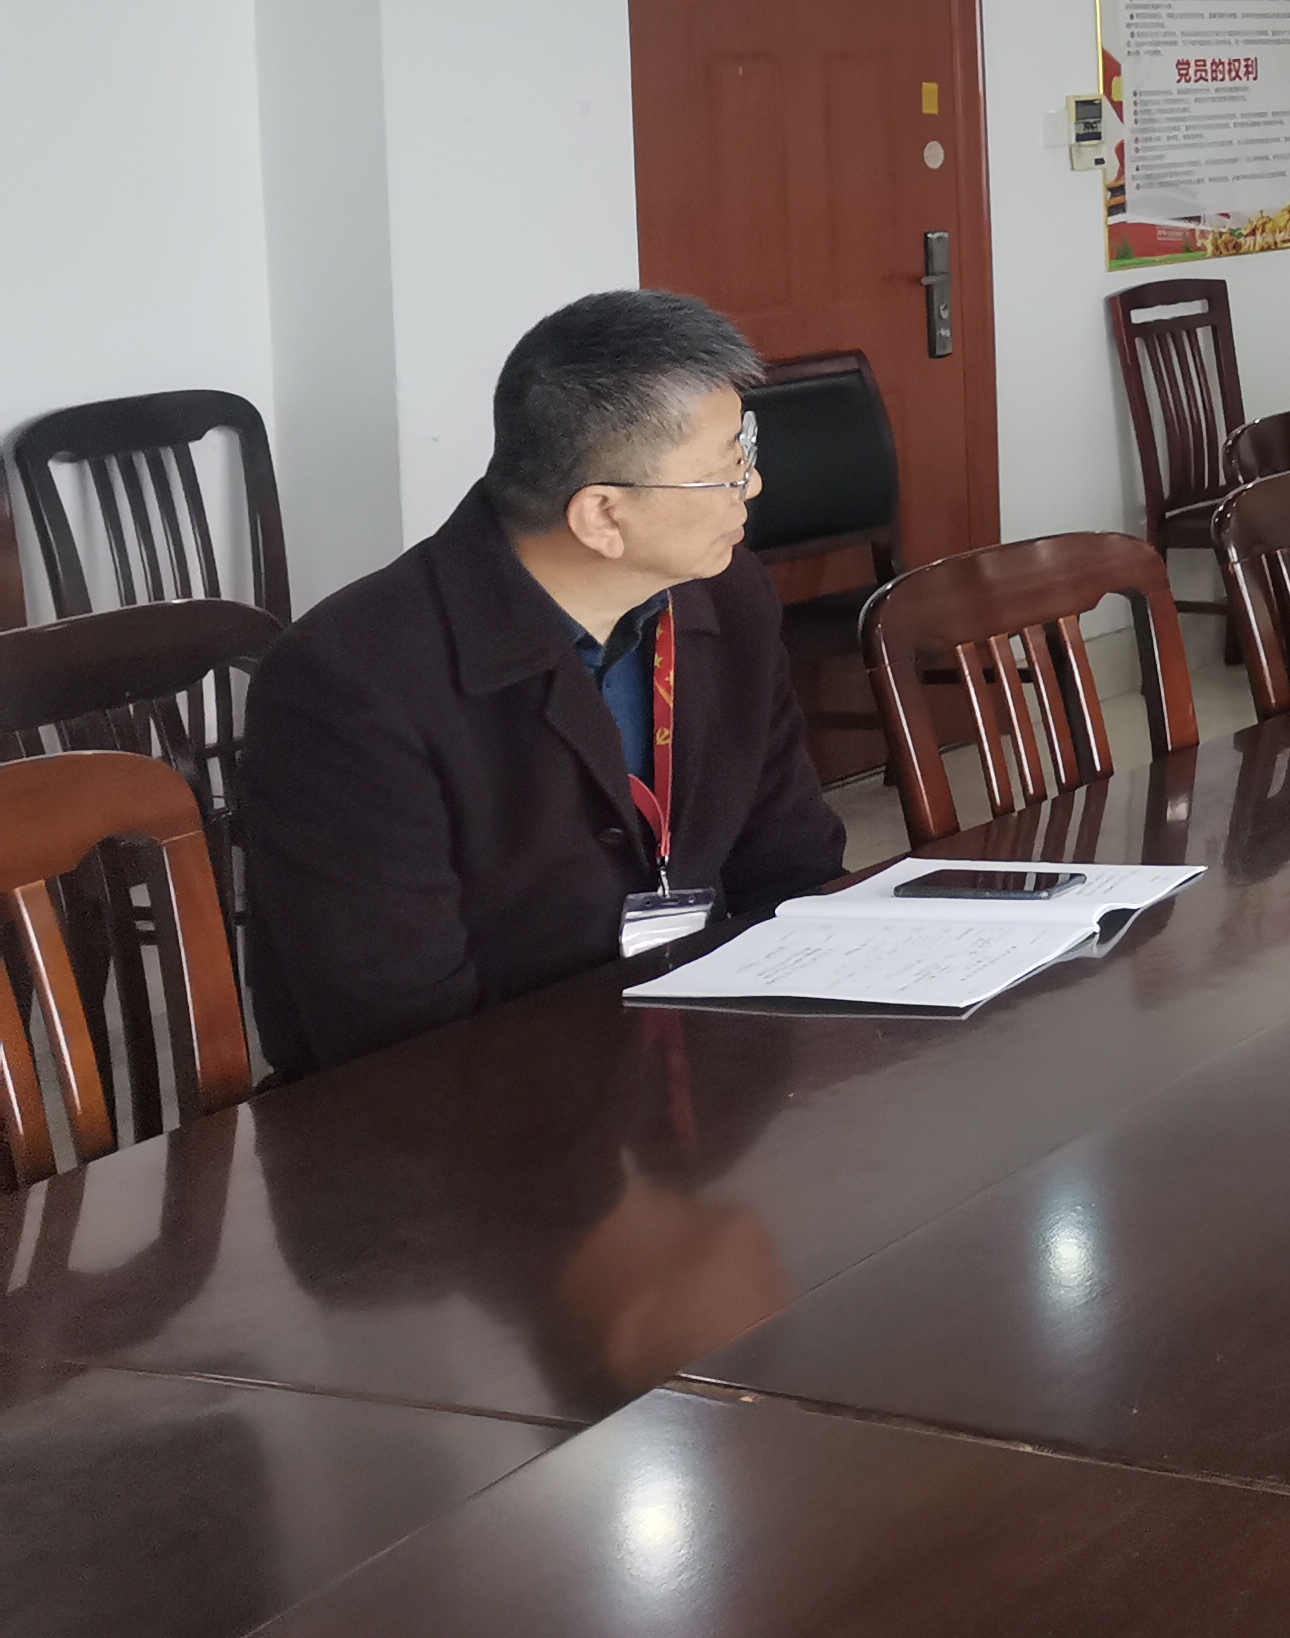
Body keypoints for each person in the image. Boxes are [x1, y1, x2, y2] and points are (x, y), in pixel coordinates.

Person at [245, 290, 848, 1079]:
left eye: (745, 450)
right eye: (723, 473)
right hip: (463, 1115)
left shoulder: (725, 598)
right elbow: (396, 1035)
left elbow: (794, 866)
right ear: (602, 516)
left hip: (686, 1072)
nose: (752, 486)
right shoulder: (348, 684)